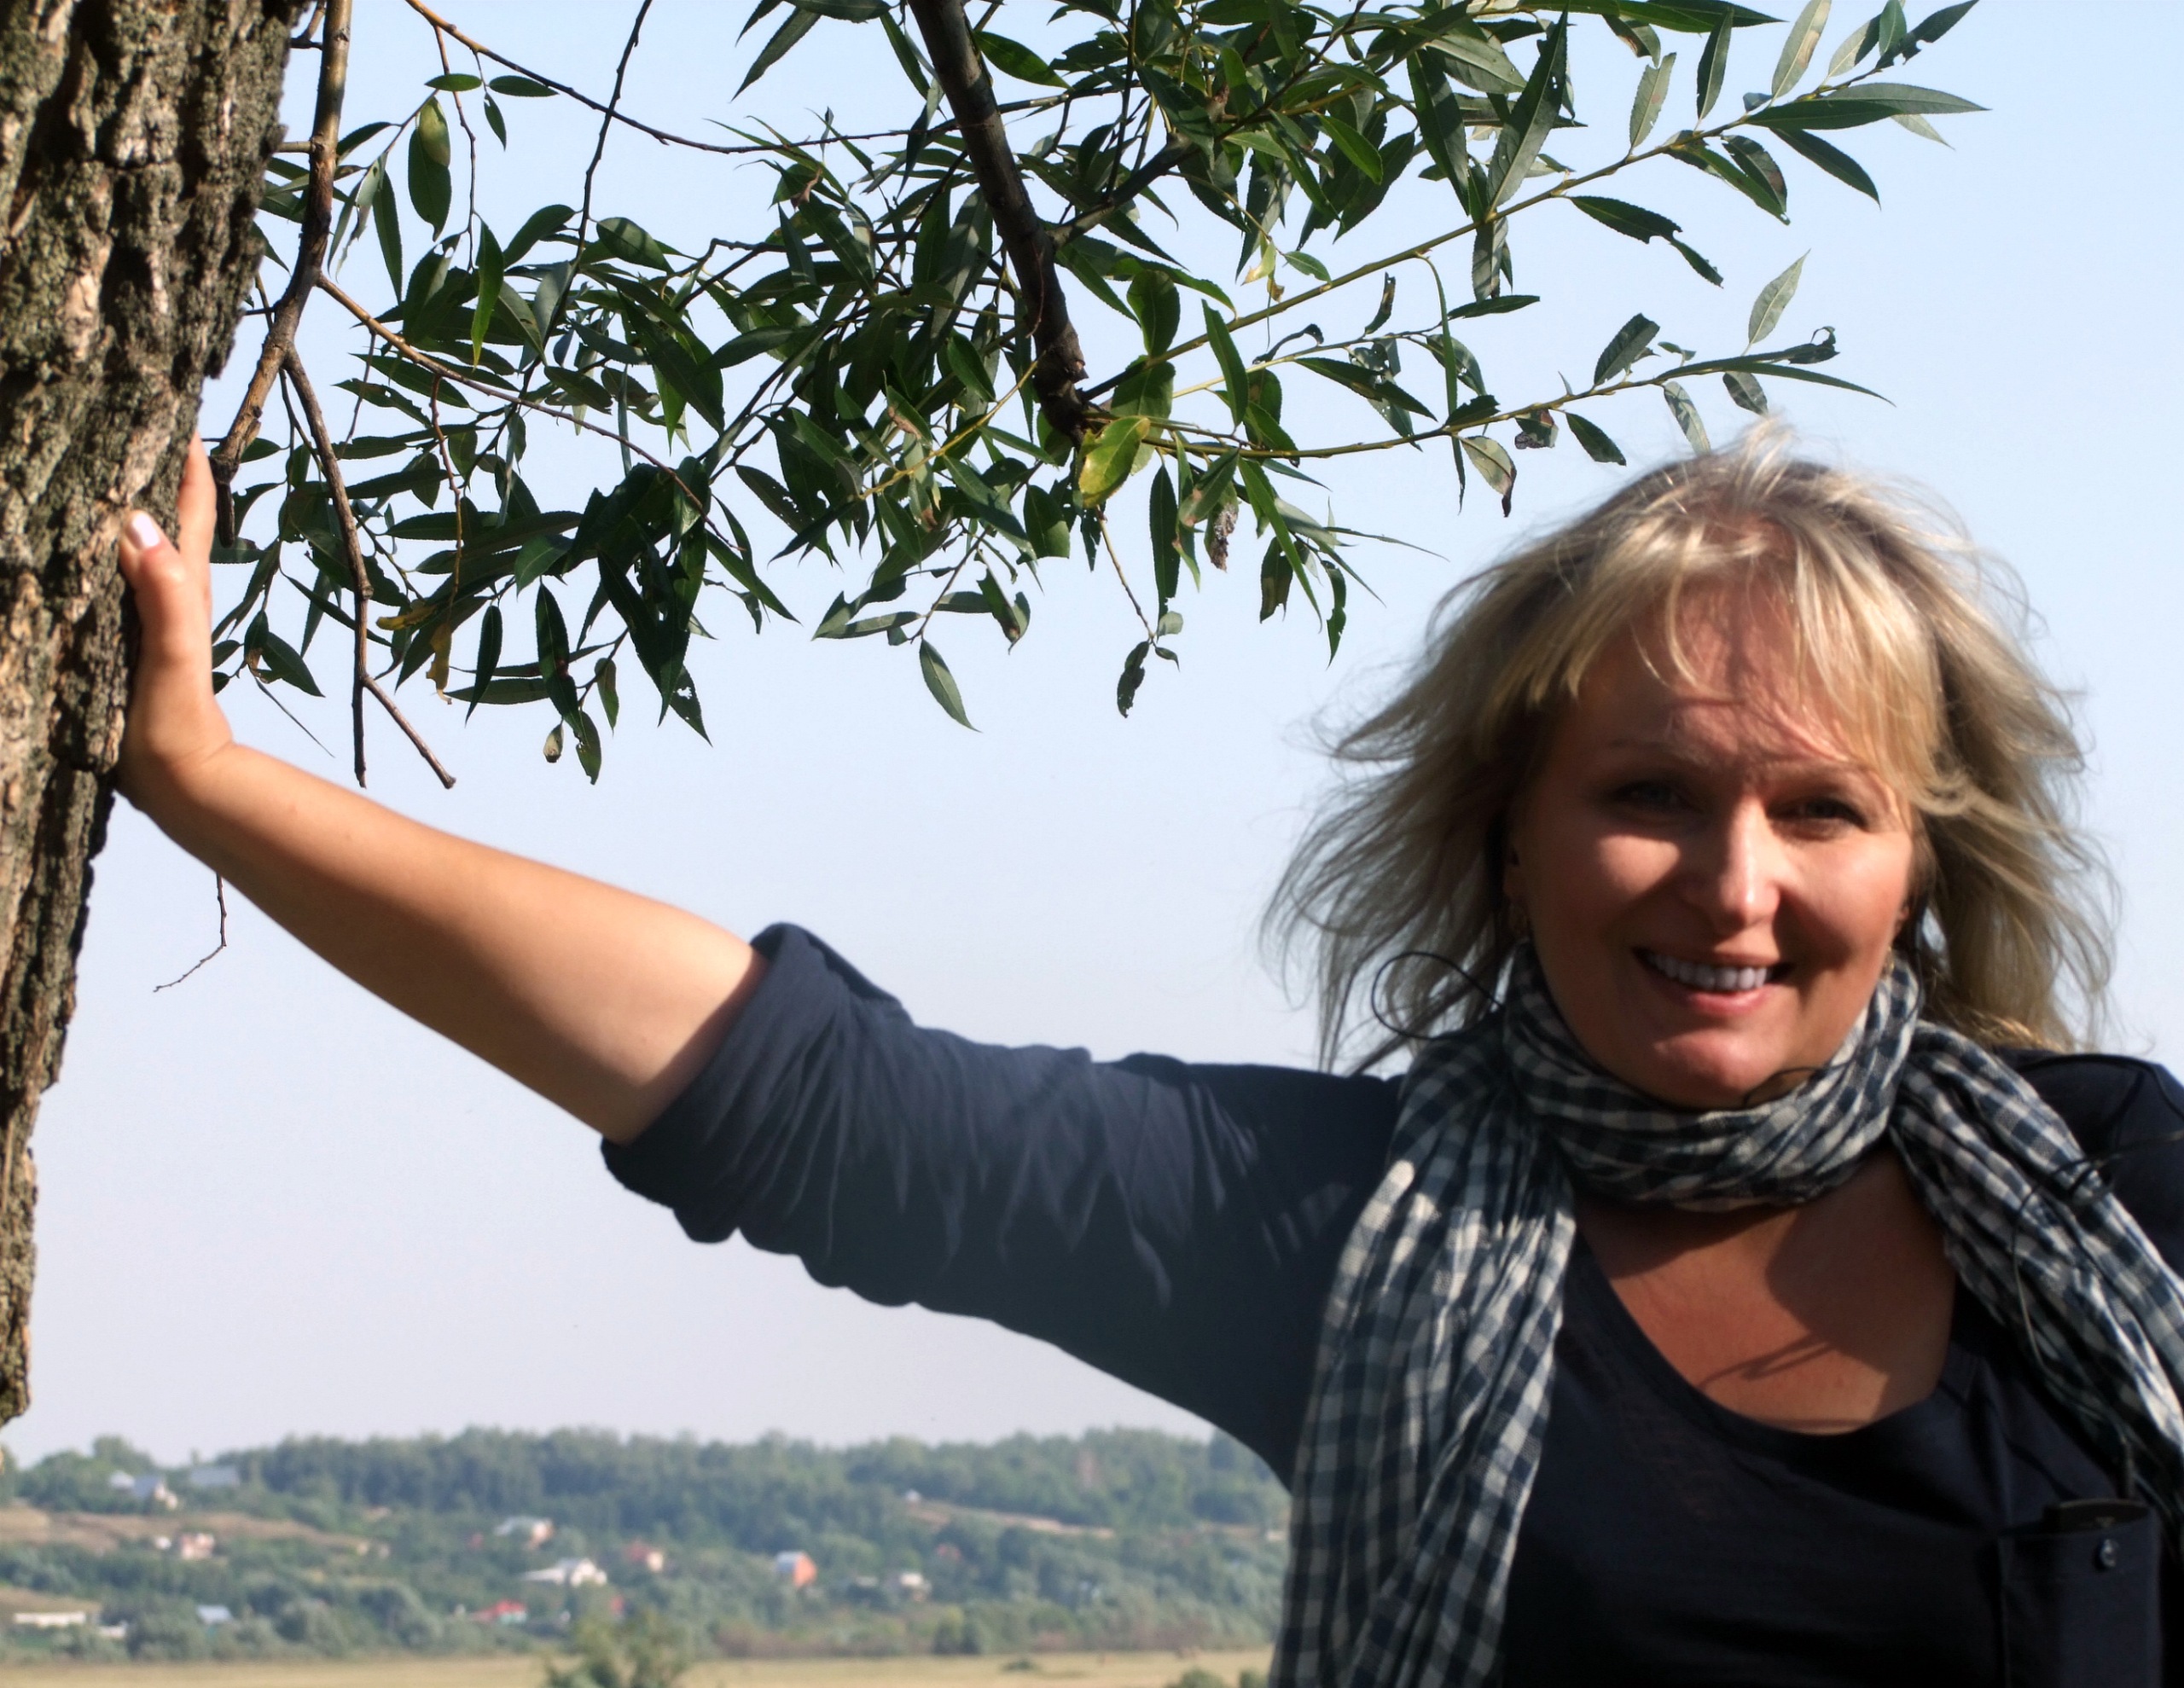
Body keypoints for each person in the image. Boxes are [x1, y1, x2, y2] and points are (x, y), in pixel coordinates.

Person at [115, 430, 2184, 1687]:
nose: (1732, 886)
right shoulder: (1336, 1232)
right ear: (1508, 834)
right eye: (1647, 794)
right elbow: (794, 1087)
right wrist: (210, 783)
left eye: (1818, 812)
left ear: (1916, 860)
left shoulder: (2111, 1196)